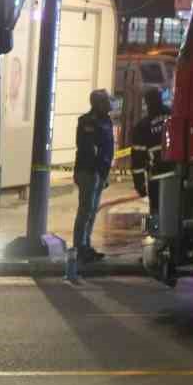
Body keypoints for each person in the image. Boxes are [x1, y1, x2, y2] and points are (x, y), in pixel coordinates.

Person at [72, 89, 116, 262]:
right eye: (106, 101)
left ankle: (86, 246)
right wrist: (99, 171)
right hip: (89, 172)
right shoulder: (87, 121)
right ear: (98, 104)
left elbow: (107, 149)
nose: (110, 103)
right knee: (85, 211)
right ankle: (78, 248)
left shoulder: (107, 121)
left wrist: (105, 173)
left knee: (92, 212)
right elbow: (89, 149)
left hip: (99, 172)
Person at [129, 87, 170, 215]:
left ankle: (157, 230)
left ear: (147, 103)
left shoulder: (142, 127)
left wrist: (140, 185)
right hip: (180, 174)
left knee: (157, 213)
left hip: (157, 176)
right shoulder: (175, 116)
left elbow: (137, 161)